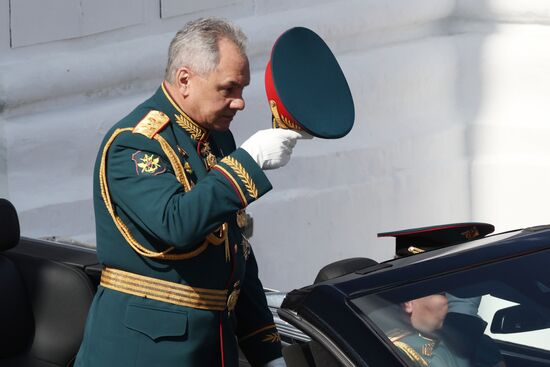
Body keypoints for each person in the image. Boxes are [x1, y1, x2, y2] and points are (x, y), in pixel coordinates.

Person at [74, 17, 309, 367]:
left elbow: (235, 253)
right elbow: (176, 224)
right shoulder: (135, 143)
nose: (240, 102)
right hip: (146, 353)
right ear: (185, 80)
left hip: (211, 346)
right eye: (228, 89)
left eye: (242, 89)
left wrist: (267, 352)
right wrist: (250, 159)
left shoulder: (216, 139)